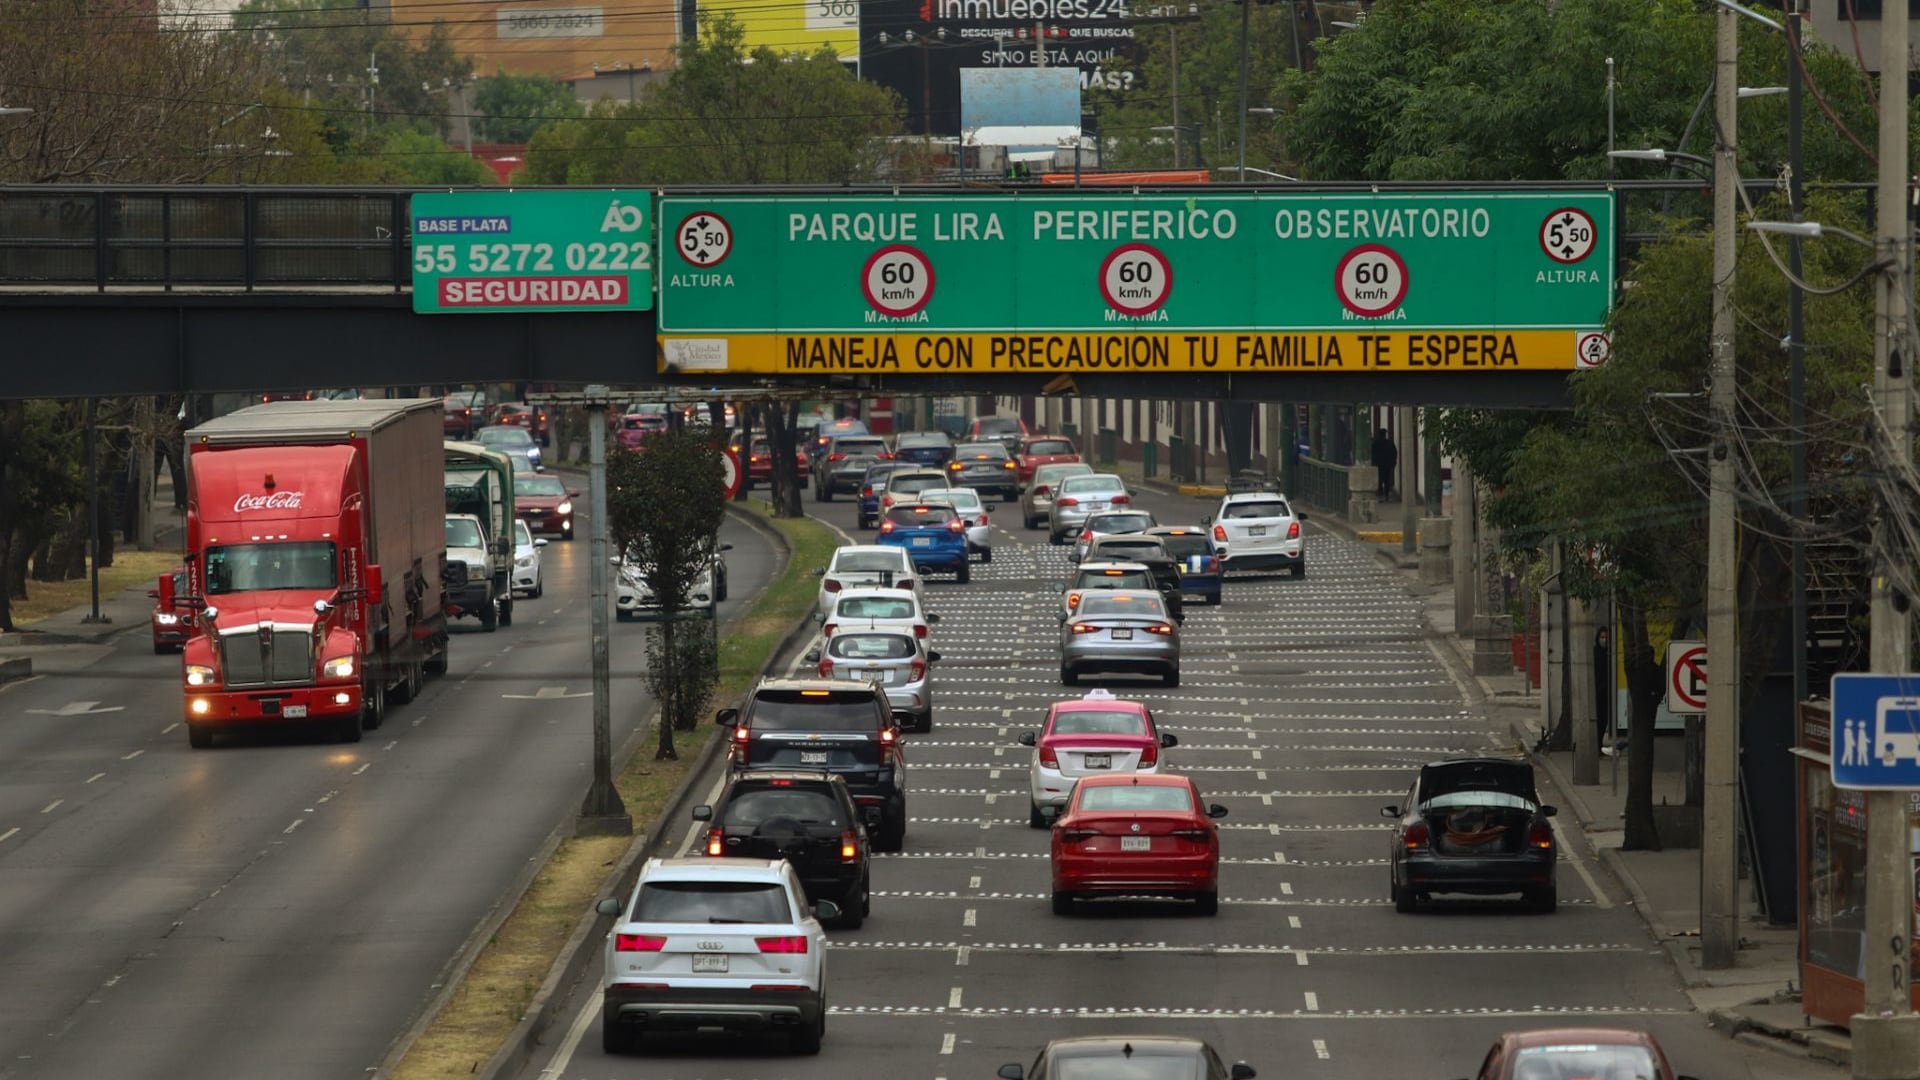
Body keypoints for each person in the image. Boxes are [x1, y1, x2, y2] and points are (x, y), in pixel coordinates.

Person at [1370, 428, 1398, 499]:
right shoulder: (1389, 443)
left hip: (1379, 465)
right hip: (1387, 464)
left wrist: (1373, 463)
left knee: (1379, 479)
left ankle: (1380, 493)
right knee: (1387, 479)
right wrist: (1393, 462)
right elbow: (1394, 453)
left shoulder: (1376, 443)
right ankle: (1386, 494)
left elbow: (1372, 453)